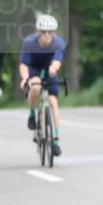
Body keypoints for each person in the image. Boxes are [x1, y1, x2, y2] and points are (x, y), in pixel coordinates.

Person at [19, 14, 66, 155]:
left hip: (49, 68)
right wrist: (25, 78)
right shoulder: (29, 43)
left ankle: (56, 141)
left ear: (54, 33)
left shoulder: (58, 43)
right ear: (38, 32)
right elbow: (23, 64)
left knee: (53, 102)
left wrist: (53, 69)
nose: (46, 35)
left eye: (50, 32)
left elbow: (57, 61)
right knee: (35, 87)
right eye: (43, 32)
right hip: (34, 67)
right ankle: (32, 114)